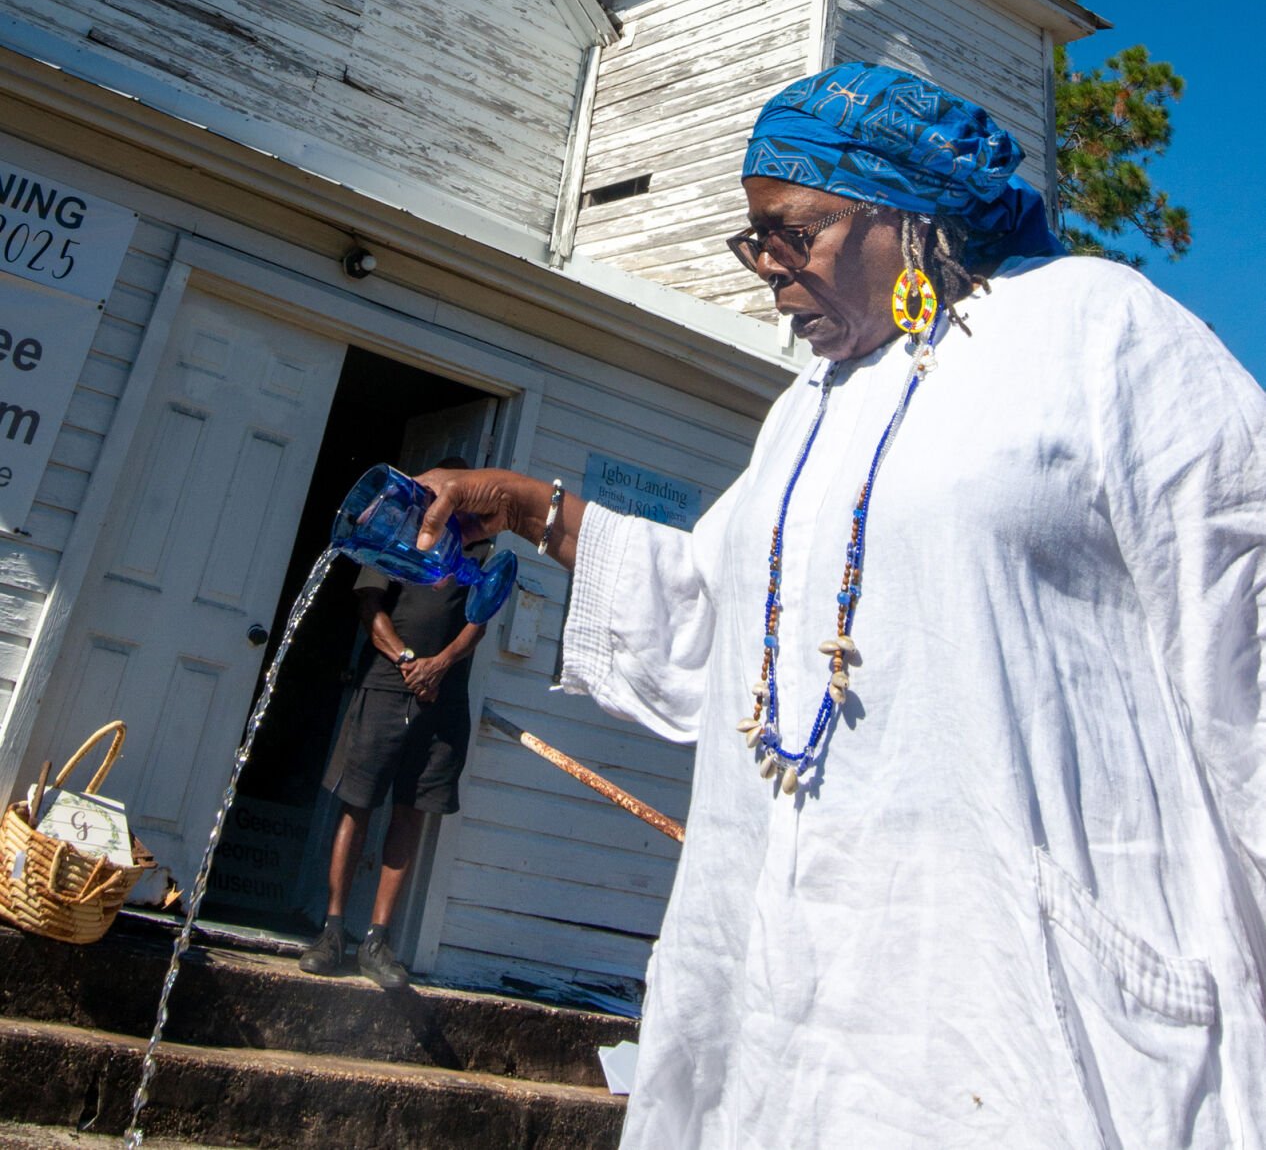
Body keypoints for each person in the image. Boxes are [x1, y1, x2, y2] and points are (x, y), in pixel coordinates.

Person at [413, 63, 1266, 1149]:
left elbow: (1246, 610)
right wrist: (529, 505)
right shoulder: (805, 407)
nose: (766, 270)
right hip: (795, 993)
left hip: (1015, 982)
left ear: (905, 214)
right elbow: (719, 617)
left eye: (791, 233)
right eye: (752, 240)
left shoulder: (1098, 331)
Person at [299, 460, 486, 990]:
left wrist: (440, 664)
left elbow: (478, 619)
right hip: (387, 684)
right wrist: (407, 659)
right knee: (357, 803)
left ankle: (377, 941)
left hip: (443, 697)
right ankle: (332, 931)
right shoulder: (395, 533)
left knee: (412, 812)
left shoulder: (479, 548)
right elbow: (368, 604)